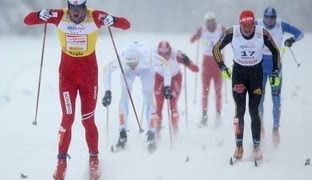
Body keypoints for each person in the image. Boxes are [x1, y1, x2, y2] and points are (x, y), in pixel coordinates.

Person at [24, 0, 130, 179]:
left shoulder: (95, 17)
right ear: (68, 7)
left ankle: (94, 162)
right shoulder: (59, 16)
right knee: (67, 119)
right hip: (67, 78)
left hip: (89, 78)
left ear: (84, 7)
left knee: (88, 121)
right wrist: (39, 14)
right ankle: (61, 163)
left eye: (79, 9)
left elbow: (126, 25)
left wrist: (113, 20)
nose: (75, 13)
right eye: (72, 9)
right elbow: (28, 20)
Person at [212, 10, 280, 160]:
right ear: (240, 23)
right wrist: (222, 67)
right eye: (244, 25)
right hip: (239, 75)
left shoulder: (262, 33)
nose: (247, 28)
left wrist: (275, 72)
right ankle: (239, 146)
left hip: (256, 74)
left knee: (254, 110)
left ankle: (256, 147)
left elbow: (275, 51)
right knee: (239, 110)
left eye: (250, 25)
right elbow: (216, 48)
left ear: (254, 23)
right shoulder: (232, 32)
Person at [102, 41, 172, 151]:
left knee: (148, 97)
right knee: (125, 95)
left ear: (138, 59)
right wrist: (108, 92)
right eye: (130, 64)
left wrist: (167, 86)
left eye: (134, 63)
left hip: (146, 69)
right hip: (127, 71)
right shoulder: (122, 59)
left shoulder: (148, 57)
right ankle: (122, 133)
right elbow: (107, 69)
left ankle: (151, 134)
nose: (133, 66)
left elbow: (167, 65)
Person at [256, 7, 304, 145]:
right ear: (263, 17)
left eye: (272, 18)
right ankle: (260, 126)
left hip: (275, 67)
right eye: (267, 17)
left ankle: (275, 129)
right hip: (259, 66)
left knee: (276, 98)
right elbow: (241, 29)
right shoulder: (257, 23)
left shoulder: (280, 24)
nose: (269, 20)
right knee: (259, 98)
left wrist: (292, 40)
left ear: (275, 18)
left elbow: (300, 33)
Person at [154, 41, 199, 134]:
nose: (164, 56)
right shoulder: (153, 55)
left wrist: (187, 61)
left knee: (173, 104)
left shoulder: (176, 55)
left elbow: (196, 69)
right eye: (161, 53)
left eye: (166, 53)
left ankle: (175, 127)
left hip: (175, 79)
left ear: (170, 51)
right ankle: (157, 127)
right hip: (159, 79)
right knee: (158, 105)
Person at [190, 12, 226, 126]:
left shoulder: (221, 28)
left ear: (215, 21)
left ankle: (218, 114)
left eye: (212, 21)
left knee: (218, 91)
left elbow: (232, 38)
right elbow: (192, 40)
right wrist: (197, 34)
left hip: (218, 61)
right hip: (207, 62)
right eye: (208, 22)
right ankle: (204, 114)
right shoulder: (203, 29)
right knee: (205, 90)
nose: (210, 24)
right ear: (206, 22)